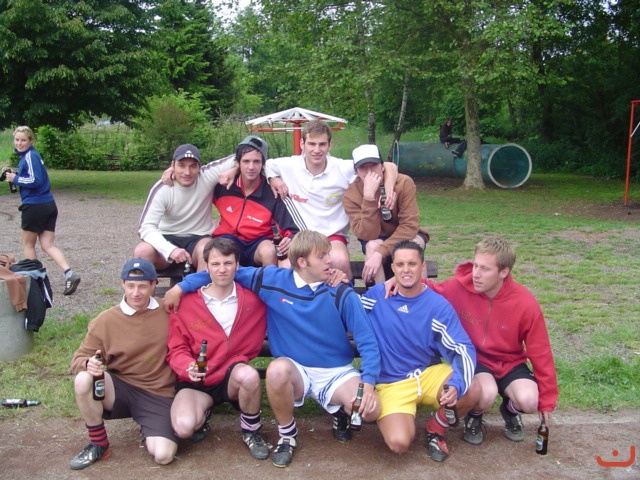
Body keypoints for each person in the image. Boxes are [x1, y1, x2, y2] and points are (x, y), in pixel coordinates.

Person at [164, 230, 381, 468]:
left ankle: (339, 412)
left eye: (328, 254)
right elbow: (222, 272)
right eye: (322, 256)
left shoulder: (341, 291)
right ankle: (287, 435)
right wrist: (180, 288)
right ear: (302, 262)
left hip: (335, 371)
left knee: (370, 411)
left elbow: (368, 342)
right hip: (295, 370)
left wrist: (369, 382)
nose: (330, 260)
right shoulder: (271, 280)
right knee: (276, 369)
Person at [419, 236, 558, 446]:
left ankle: (509, 410)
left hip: (510, 363)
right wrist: (396, 281)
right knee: (487, 393)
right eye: (475, 265)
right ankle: (474, 416)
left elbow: (541, 353)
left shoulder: (525, 303)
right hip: (477, 360)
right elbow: (428, 289)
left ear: (503, 272)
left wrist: (547, 400)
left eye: (485, 269)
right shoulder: (459, 287)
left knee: (530, 401)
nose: (476, 274)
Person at [362, 240, 480, 462]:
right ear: (393, 268)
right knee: (398, 443)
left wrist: (457, 384)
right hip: (392, 383)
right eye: (400, 264)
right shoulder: (377, 297)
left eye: (412, 264)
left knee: (472, 388)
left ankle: (437, 428)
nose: (406, 270)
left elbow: (462, 348)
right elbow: (345, 309)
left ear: (422, 266)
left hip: (427, 375)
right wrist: (336, 280)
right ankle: (399, 419)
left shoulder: (438, 306)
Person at [68, 258, 177, 470]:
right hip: (121, 388)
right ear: (123, 285)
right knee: (83, 380)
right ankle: (98, 443)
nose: (136, 293)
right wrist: (88, 363)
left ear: (154, 285)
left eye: (142, 286)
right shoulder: (106, 320)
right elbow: (78, 359)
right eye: (130, 286)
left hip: (158, 393)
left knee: (164, 456)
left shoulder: (168, 310)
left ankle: (149, 426)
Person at [166, 237, 269, 458]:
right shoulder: (186, 302)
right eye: (215, 264)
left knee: (249, 375)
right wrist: (188, 366)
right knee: (183, 428)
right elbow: (176, 349)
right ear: (206, 267)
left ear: (237, 265)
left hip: (231, 375)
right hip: (196, 381)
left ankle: (251, 431)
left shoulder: (254, 301)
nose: (222, 269)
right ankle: (205, 410)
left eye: (228, 263)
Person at [265, 119, 398, 279]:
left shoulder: (342, 168)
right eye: (312, 144)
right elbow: (265, 165)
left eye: (322, 144)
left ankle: (345, 291)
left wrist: (388, 188)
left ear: (330, 145)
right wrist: (273, 178)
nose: (317, 150)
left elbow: (389, 166)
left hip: (332, 235)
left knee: (339, 260)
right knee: (286, 267)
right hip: (300, 236)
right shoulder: (288, 165)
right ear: (302, 144)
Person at [3, 126, 80, 295]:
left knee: (28, 245)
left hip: (35, 206)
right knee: (48, 245)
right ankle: (70, 274)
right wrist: (15, 176)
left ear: (31, 141)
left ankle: (36, 285)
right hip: (48, 204)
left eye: (23, 140)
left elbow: (35, 181)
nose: (19, 143)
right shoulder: (32, 156)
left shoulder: (30, 156)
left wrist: (15, 178)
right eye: (17, 140)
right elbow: (32, 177)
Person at [135, 144, 235, 271]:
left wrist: (234, 170)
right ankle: (146, 284)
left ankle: (200, 284)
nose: (187, 172)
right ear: (173, 165)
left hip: (199, 237)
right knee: (142, 251)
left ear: (199, 167)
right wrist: (170, 250)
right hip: (167, 236)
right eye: (181, 165)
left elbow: (244, 155)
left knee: (208, 251)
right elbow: (145, 227)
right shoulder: (162, 188)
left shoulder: (206, 176)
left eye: (192, 166)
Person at [342, 144, 430, 285]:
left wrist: (381, 252)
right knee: (372, 245)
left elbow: (409, 226)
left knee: (413, 246)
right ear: (356, 171)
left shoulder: (403, 183)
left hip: (405, 234)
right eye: (363, 167)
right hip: (376, 237)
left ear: (382, 166)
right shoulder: (351, 195)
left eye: (374, 166)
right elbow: (367, 235)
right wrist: (369, 199)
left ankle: (420, 294)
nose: (369, 172)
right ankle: (382, 296)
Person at [212, 135, 300, 268]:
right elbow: (198, 181)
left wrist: (291, 239)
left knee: (269, 251)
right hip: (228, 240)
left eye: (256, 162)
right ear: (237, 163)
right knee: (218, 248)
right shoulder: (223, 186)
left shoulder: (273, 192)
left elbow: (293, 229)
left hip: (258, 243)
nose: (251, 167)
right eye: (246, 161)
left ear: (264, 164)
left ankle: (267, 281)